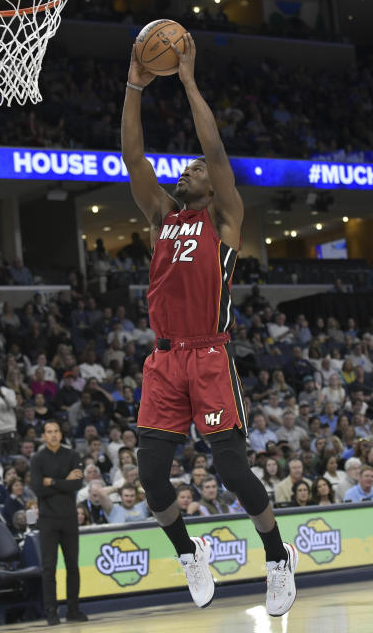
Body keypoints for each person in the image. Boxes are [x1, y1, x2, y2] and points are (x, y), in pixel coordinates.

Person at [123, 32, 296, 617]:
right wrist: (133, 85)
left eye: (194, 169)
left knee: (229, 469)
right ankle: (188, 553)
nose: (189, 170)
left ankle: (277, 558)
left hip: (209, 354)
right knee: (150, 476)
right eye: (187, 169)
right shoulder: (161, 218)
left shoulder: (224, 220)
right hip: (164, 358)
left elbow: (215, 150)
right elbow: (133, 156)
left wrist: (190, 81)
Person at [29, 420, 88, 626]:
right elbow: (38, 488)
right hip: (47, 519)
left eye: (56, 431)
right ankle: (51, 612)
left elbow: (77, 484)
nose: (53, 435)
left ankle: (73, 610)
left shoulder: (73, 455)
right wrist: (64, 480)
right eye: (49, 432)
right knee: (49, 568)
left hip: (70, 518)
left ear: (61, 435)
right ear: (43, 436)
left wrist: (52, 481)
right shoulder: (37, 459)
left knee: (73, 566)